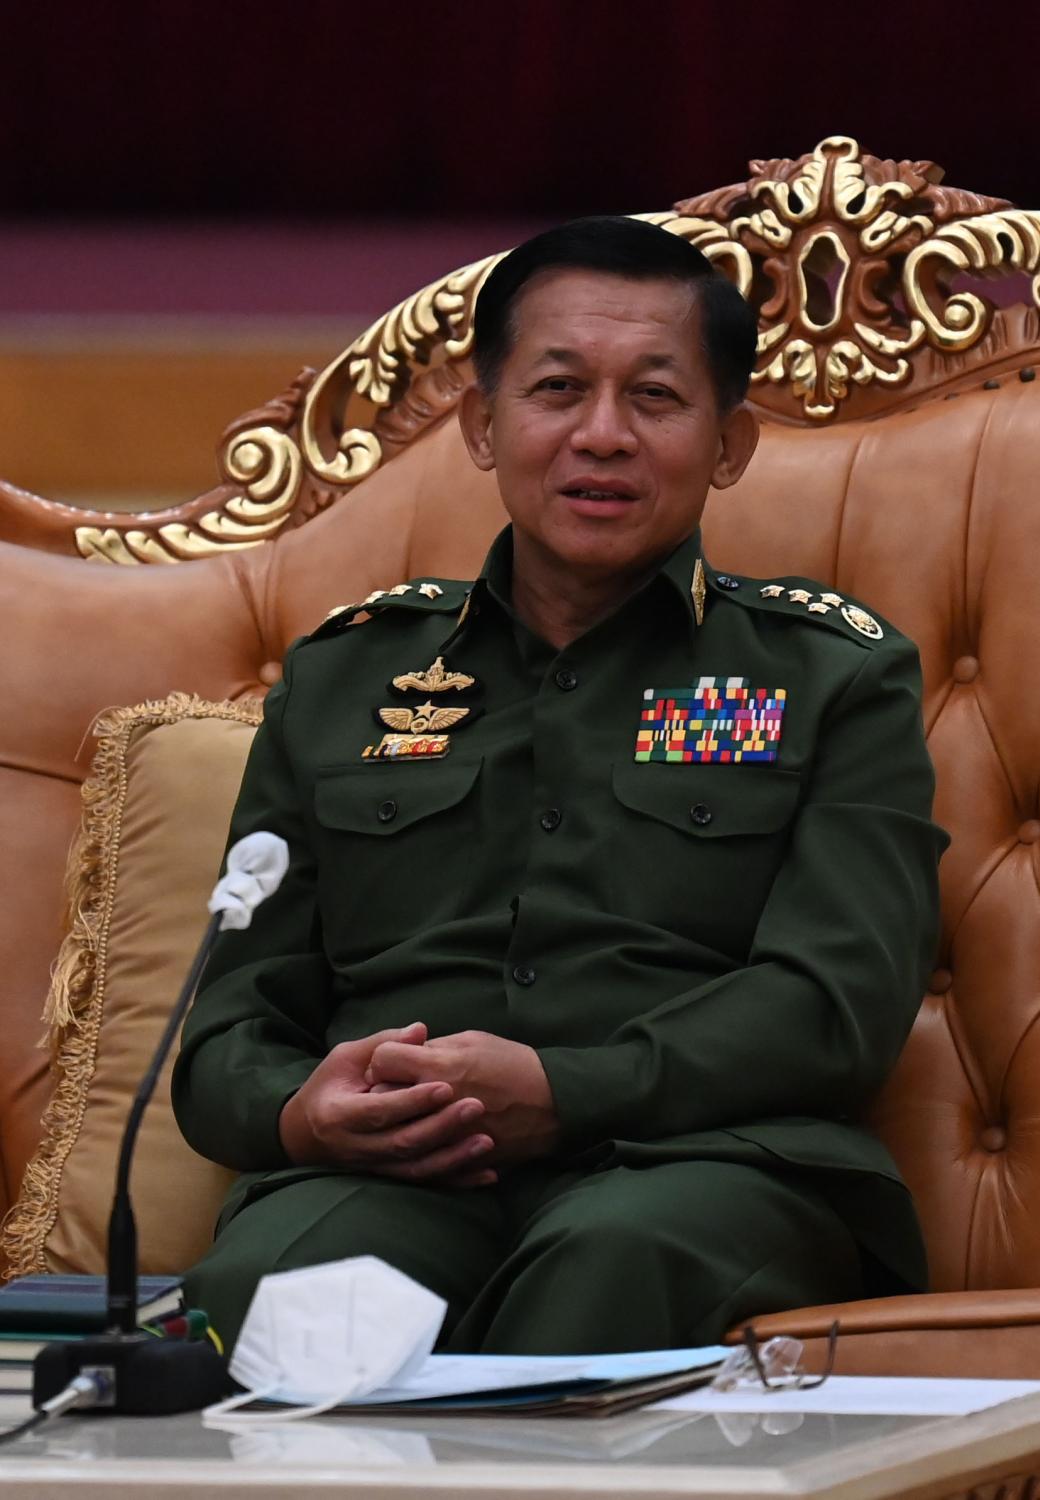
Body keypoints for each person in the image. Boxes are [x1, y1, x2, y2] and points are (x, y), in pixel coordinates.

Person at [172, 215, 949, 1357]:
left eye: (655, 397)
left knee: (601, 1272)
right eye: (557, 389)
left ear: (729, 444)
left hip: (706, 1168)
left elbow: (836, 1004)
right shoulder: (347, 678)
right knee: (270, 1293)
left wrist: (569, 1089)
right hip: (397, 1177)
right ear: (483, 426)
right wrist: (299, 1111)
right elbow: (232, 1022)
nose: (602, 435)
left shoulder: (832, 675)